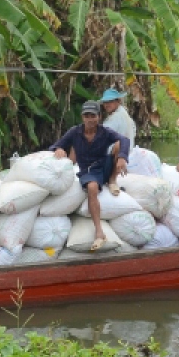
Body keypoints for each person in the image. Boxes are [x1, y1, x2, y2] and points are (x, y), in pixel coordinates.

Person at [50, 100, 131, 252]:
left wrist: (122, 157)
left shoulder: (104, 132)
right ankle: (99, 231)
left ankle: (112, 180)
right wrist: (59, 149)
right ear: (82, 117)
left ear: (99, 117)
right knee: (92, 188)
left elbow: (125, 140)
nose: (90, 119)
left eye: (93, 116)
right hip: (88, 171)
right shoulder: (75, 132)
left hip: (104, 166)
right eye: (87, 116)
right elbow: (57, 145)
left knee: (119, 144)